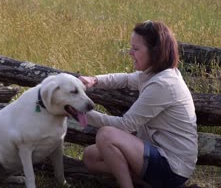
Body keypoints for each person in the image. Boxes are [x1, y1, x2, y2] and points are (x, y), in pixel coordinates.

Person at [79, 20, 198, 188]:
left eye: (136, 49)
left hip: (172, 167)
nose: (130, 53)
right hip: (155, 153)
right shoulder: (154, 74)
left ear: (155, 52)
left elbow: (125, 125)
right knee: (90, 157)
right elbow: (126, 79)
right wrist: (94, 80)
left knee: (106, 135)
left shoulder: (163, 83)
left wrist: (82, 114)